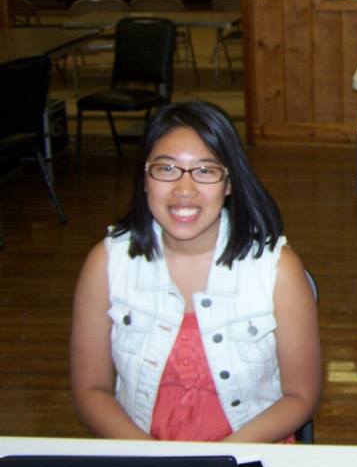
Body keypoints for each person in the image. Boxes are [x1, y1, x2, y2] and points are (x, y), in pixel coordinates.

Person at [71, 101, 321, 442]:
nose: (184, 190)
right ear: (145, 178)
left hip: (250, 454)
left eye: (205, 171)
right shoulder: (106, 263)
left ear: (229, 183)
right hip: (142, 457)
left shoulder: (278, 269)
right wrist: (152, 458)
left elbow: (300, 396)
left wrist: (217, 460)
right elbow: (91, 390)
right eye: (166, 169)